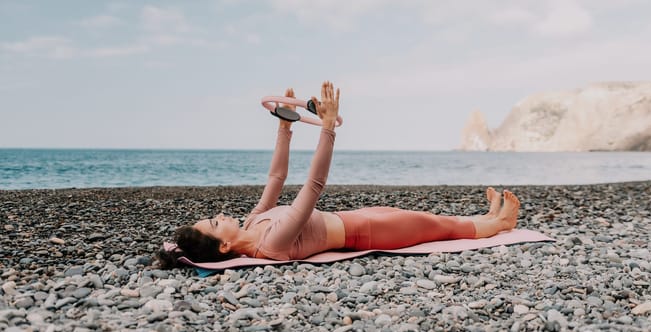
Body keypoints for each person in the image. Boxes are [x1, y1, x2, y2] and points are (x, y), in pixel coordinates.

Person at [157, 81, 520, 268]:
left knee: (435, 220)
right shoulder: (272, 244)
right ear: (225, 246)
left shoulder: (253, 223)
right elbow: (312, 188)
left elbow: (276, 179)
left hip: (357, 219)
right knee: (439, 227)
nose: (220, 215)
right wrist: (327, 127)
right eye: (215, 223)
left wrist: (285, 126)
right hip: (366, 232)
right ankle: (500, 224)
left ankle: (487, 217)